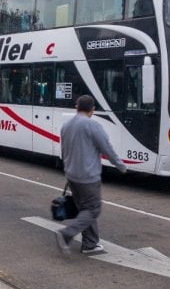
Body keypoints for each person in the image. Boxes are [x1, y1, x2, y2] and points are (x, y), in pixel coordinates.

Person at [54, 94, 127, 256]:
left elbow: (64, 151)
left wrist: (68, 169)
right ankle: (66, 234)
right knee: (93, 209)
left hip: (72, 175)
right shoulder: (92, 126)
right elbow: (106, 149)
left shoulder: (66, 125)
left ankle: (90, 244)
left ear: (77, 107)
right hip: (88, 177)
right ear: (92, 110)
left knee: (85, 209)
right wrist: (121, 166)